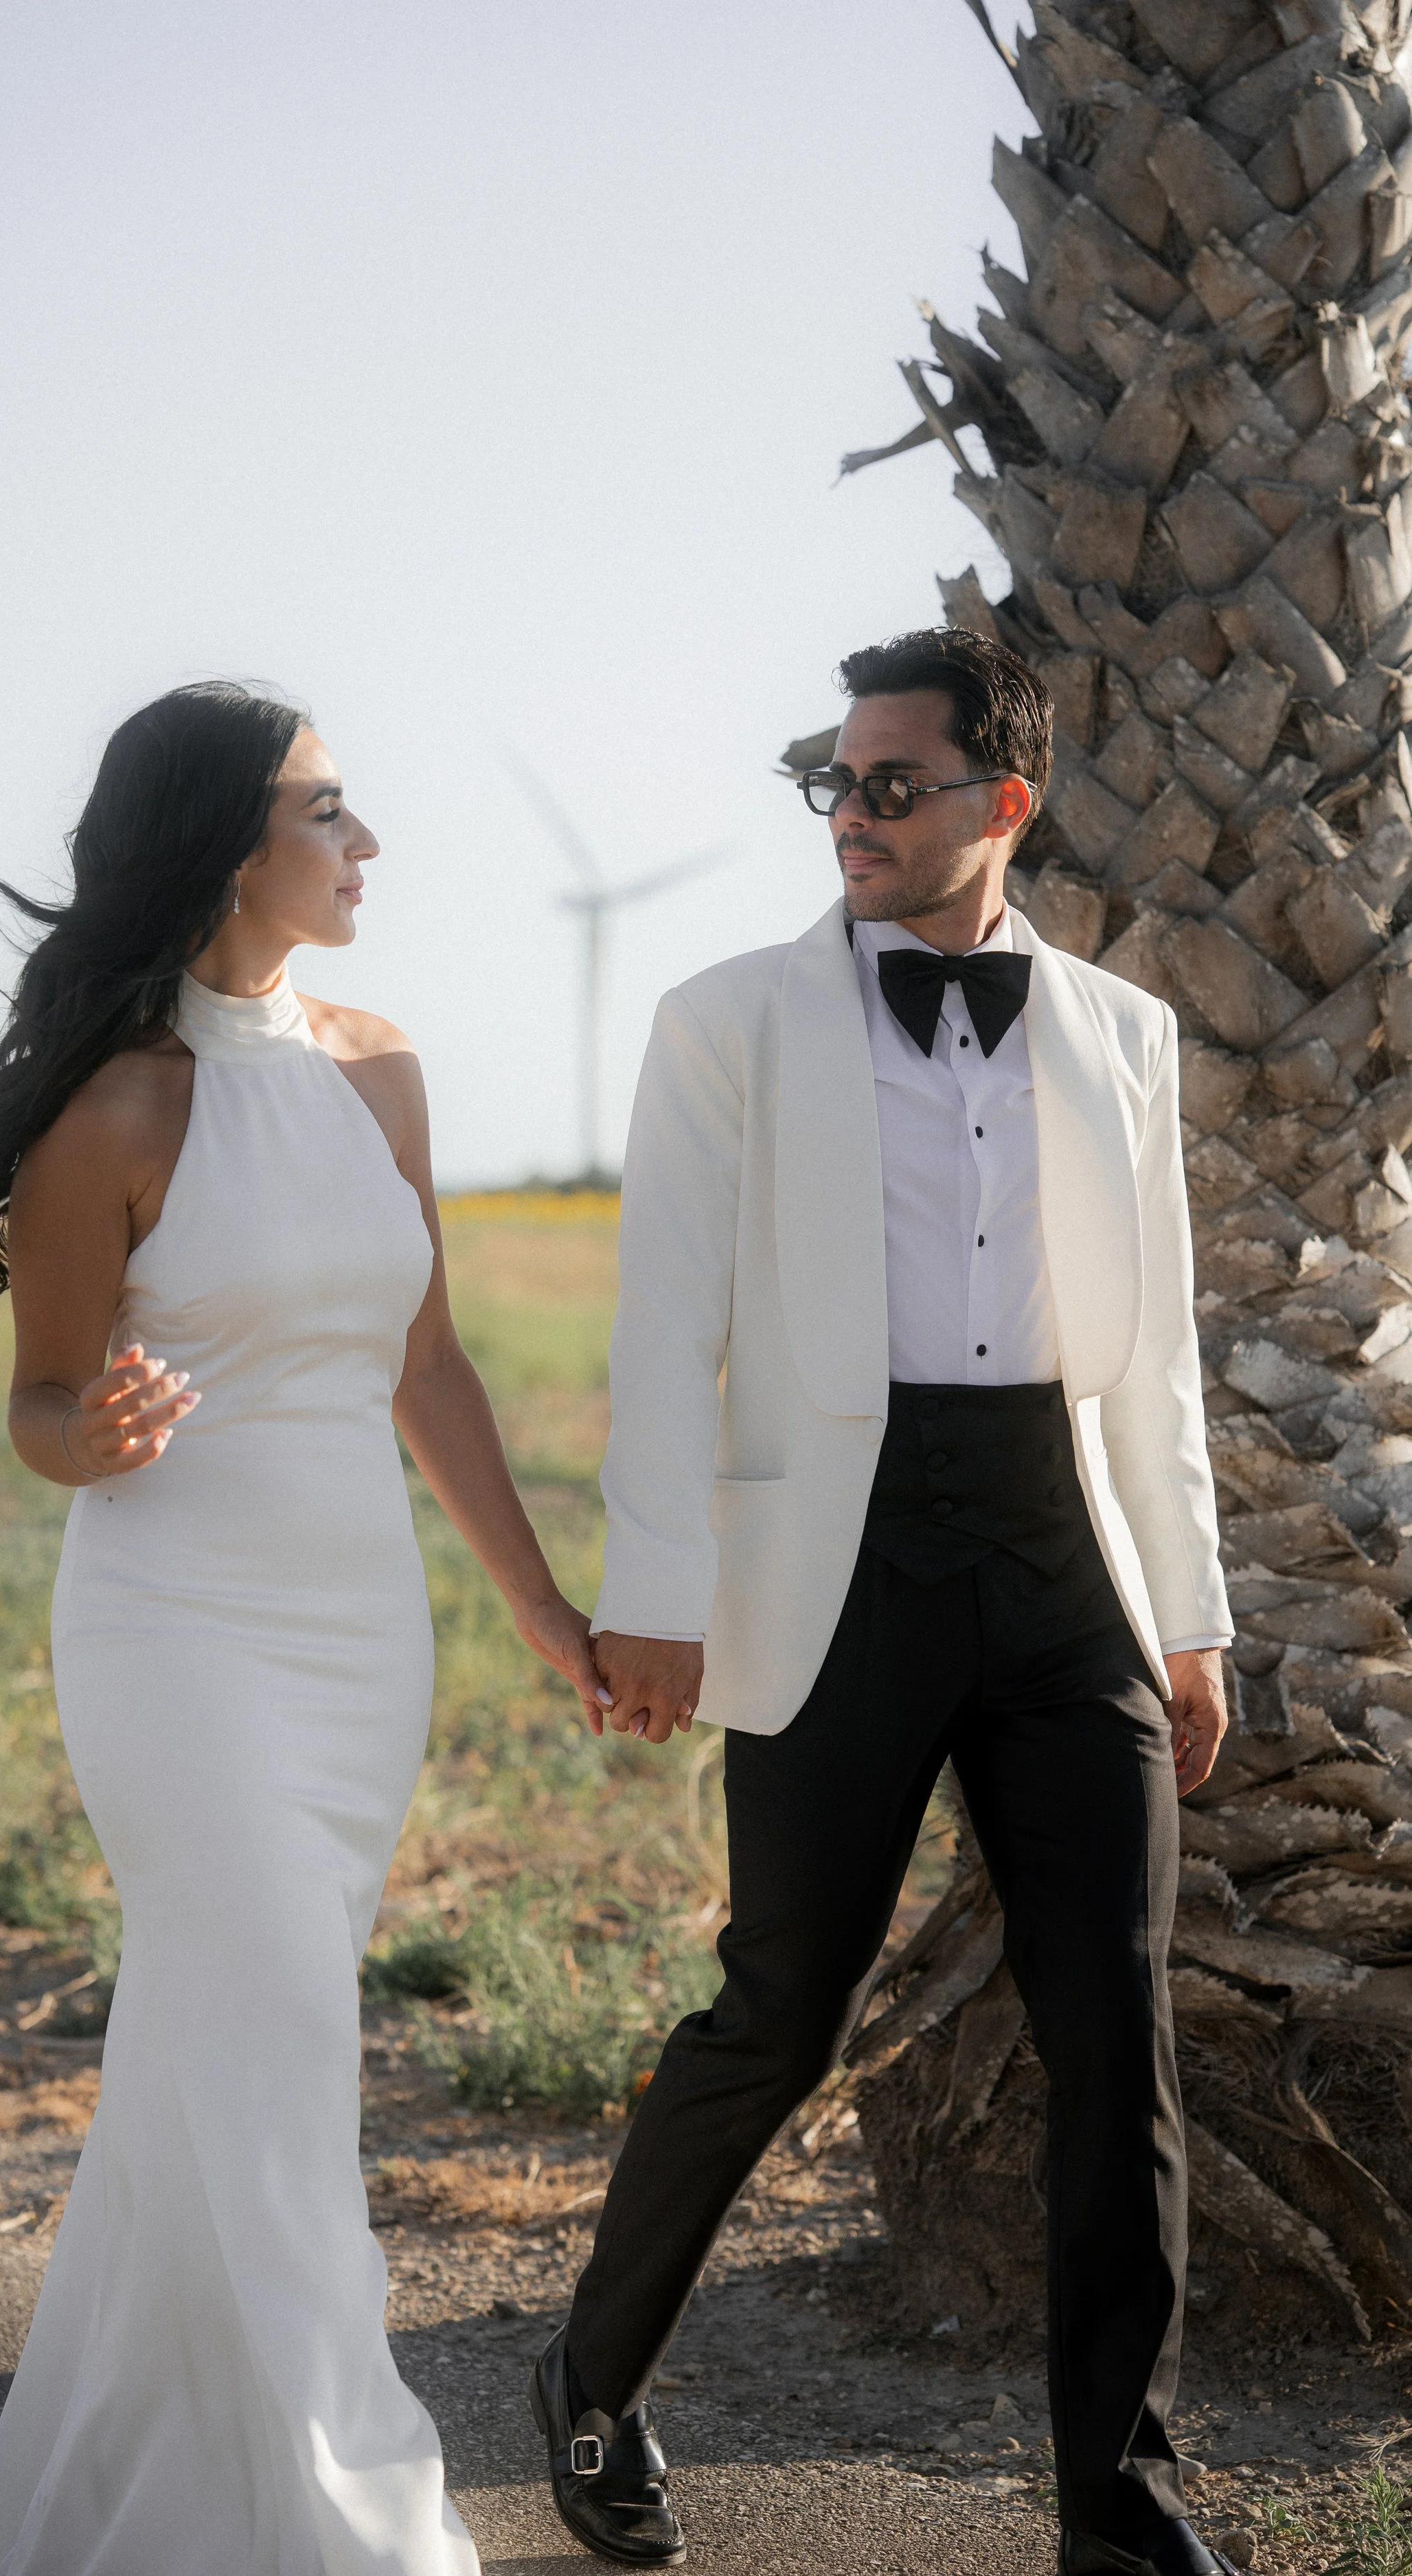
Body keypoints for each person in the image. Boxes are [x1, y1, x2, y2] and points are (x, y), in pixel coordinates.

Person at [0, 683, 602, 2576]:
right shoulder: (116, 1108)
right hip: (174, 1632)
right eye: (328, 811)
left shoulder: (381, 1070)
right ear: (223, 845)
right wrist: (81, 1430)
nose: (366, 847)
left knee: (227, 2058)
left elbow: (424, 1357)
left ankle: (178, 2491)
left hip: (359, 1640)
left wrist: (537, 1605)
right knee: (272, 2039)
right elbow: (40, 1397)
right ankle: (348, 2517)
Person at [531, 628, 1236, 2576]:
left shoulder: (1117, 1031)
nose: (849, 814)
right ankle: (591, 2376)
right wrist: (655, 1592)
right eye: (831, 781)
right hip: (827, 1563)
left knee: (1115, 2029)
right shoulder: (723, 1018)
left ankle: (1119, 2501)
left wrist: (1187, 1612)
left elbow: (1153, 1356)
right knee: (780, 2009)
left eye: (890, 783)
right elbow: (662, 1330)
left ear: (999, 804)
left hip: (1057, 1551)